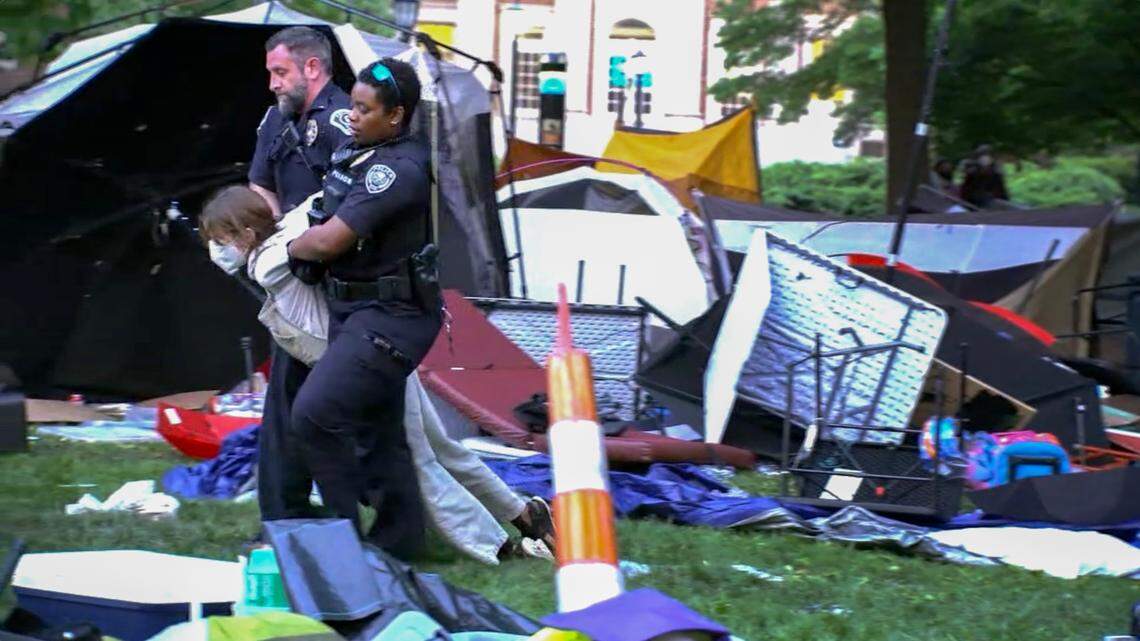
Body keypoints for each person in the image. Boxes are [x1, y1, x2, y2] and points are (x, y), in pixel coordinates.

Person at [199, 185, 555, 561]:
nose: (217, 251)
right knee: (442, 451)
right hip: (382, 356)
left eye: (221, 240)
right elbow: (310, 203)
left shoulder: (267, 264)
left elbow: (294, 240)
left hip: (369, 370)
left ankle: (494, 548)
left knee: (417, 465)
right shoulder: (289, 228)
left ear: (248, 235)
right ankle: (523, 513)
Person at [285, 57, 505, 557]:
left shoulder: (397, 169)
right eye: (353, 105)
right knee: (379, 435)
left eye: (365, 109)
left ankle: (342, 541)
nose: (352, 115)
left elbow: (329, 241)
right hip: (353, 312)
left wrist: (286, 248)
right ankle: (399, 545)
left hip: (392, 318)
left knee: (314, 415)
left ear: (396, 116)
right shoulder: (357, 152)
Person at [247, 26, 353, 524]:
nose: (271, 82)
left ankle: (336, 512)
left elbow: (357, 203)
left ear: (312, 68)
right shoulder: (276, 118)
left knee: (330, 405)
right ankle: (286, 511)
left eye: (280, 72)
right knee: (287, 399)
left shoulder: (348, 120)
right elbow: (260, 187)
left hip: (343, 282)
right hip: (293, 283)